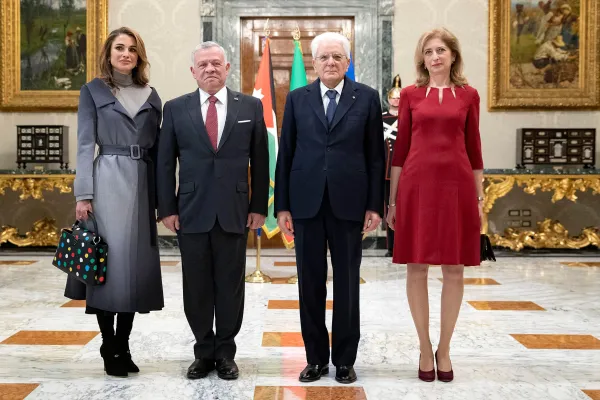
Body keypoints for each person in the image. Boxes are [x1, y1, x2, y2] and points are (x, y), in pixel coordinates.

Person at [274, 31, 385, 384]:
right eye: (324, 57)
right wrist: (282, 206)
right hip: (305, 203)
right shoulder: (297, 98)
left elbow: (375, 157)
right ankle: (315, 358)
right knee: (309, 284)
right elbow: (286, 153)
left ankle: (345, 360)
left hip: (350, 204)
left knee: (348, 284)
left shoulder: (366, 98)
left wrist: (375, 205)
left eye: (337, 57)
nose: (331, 62)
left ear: (347, 62)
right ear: (314, 63)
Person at [156, 41, 269, 381]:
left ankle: (226, 354)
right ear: (193, 71)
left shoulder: (250, 106)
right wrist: (167, 208)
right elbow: (165, 163)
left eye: (216, 63)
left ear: (227, 68)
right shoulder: (175, 108)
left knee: (231, 286)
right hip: (190, 211)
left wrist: (259, 206)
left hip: (235, 210)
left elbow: (261, 160)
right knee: (197, 286)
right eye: (203, 64)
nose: (210, 69)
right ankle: (203, 352)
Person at [386, 27, 484, 383]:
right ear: (422, 59)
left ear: (453, 55)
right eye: (428, 52)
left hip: (457, 187)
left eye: (441, 50)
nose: (435, 57)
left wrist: (480, 198)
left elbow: (474, 148)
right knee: (417, 267)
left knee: (454, 269)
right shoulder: (411, 95)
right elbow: (400, 150)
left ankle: (444, 348)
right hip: (417, 187)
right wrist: (393, 201)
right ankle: (424, 348)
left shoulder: (469, 95)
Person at [67, 26, 164, 378]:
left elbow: (160, 151)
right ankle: (109, 344)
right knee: (109, 266)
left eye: (132, 49)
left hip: (143, 182)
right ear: (109, 54)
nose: (126, 54)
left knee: (135, 268)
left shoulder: (152, 95)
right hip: (106, 180)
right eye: (119, 48)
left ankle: (124, 342)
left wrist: (162, 199)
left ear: (139, 57)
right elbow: (84, 144)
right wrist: (83, 194)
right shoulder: (92, 91)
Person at [383, 74, 401, 257]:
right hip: (386, 171)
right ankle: (391, 246)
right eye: (393, 97)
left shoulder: (409, 118)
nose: (396, 100)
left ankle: (405, 245)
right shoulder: (380, 119)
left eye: (399, 98)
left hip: (405, 171)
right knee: (388, 208)